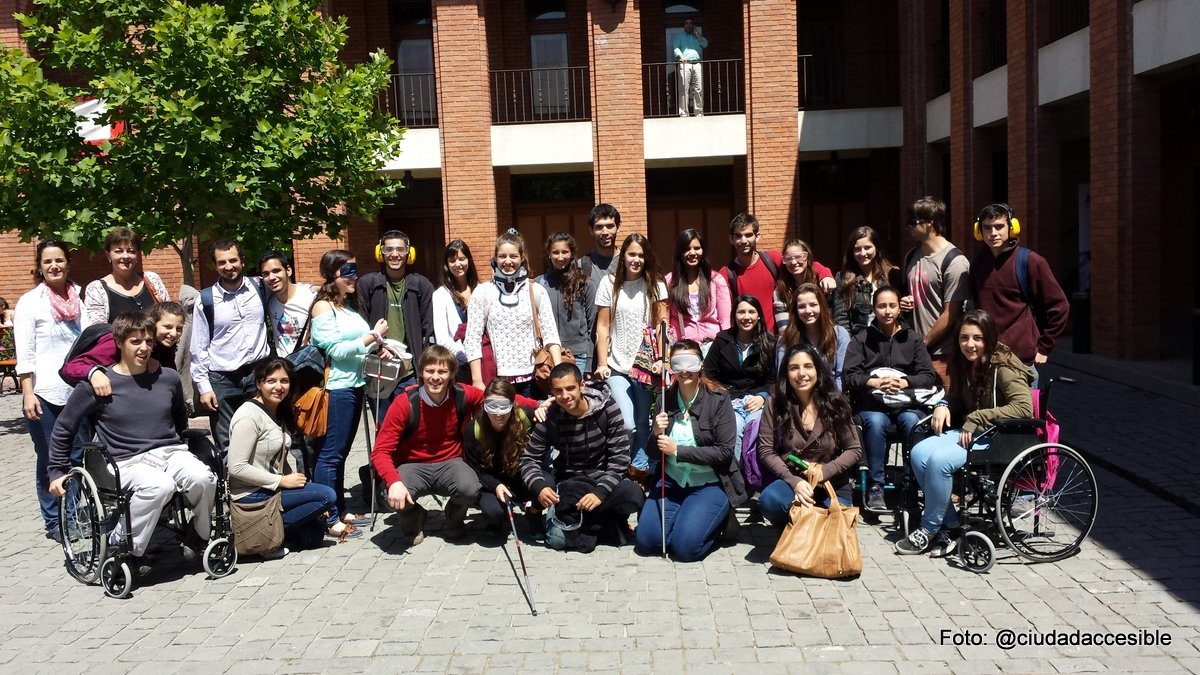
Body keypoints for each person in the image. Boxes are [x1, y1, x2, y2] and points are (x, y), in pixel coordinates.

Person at [48, 312, 215, 572]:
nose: (144, 348)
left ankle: (200, 535)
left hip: (170, 451)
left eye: (148, 341)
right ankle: (125, 547)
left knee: (203, 477)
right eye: (135, 342)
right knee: (159, 486)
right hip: (125, 459)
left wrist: (186, 445)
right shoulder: (99, 384)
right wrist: (56, 471)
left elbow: (180, 418)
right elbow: (64, 427)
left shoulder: (167, 378)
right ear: (119, 342)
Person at [896, 310, 1034, 556]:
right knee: (918, 452)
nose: (969, 344)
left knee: (939, 461)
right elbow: (959, 397)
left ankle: (929, 529)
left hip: (1000, 437)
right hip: (974, 432)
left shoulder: (1003, 366)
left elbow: (1024, 408)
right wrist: (943, 405)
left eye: (977, 338)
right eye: (964, 338)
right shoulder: (966, 363)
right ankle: (950, 525)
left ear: (989, 338)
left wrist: (977, 417)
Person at [372, 345, 540, 544]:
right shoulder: (404, 403)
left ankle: (453, 519)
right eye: (430, 371)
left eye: (442, 371)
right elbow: (381, 451)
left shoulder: (461, 394)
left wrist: (539, 405)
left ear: (452, 374)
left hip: (450, 460)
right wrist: (394, 482)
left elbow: (499, 399)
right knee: (390, 496)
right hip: (411, 464)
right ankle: (413, 518)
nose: (436, 377)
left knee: (470, 488)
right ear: (421, 373)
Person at [637, 340, 746, 561]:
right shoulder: (664, 400)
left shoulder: (719, 399)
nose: (684, 370)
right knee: (647, 541)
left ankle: (719, 520)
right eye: (678, 363)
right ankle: (688, 517)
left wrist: (678, 450)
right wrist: (656, 432)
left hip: (709, 483)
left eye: (690, 363)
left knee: (685, 549)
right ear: (671, 368)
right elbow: (652, 452)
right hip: (672, 483)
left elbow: (724, 452)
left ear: (700, 366)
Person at [16, 240, 95, 542]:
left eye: (59, 260)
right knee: (50, 458)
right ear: (39, 266)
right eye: (48, 261)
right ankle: (54, 520)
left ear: (68, 263)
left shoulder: (80, 299)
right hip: (44, 393)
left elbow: (90, 341)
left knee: (78, 456)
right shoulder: (30, 302)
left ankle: (74, 513)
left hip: (77, 392)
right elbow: (25, 352)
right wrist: (27, 392)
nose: (54, 266)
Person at [520, 363, 646, 551]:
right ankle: (602, 523)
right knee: (558, 540)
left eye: (570, 388)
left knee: (633, 494)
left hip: (602, 479)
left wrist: (600, 493)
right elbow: (529, 459)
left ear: (582, 385)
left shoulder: (608, 409)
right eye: (558, 391)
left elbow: (619, 458)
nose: (565, 396)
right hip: (568, 482)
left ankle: (589, 519)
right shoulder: (550, 417)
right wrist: (539, 487)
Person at [309, 250, 387, 539]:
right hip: (336, 389)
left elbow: (354, 349)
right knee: (330, 455)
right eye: (348, 272)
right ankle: (327, 517)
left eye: (356, 270)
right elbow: (337, 351)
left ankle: (340, 509)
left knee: (340, 455)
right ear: (333, 275)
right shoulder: (322, 308)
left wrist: (377, 347)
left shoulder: (346, 306)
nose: (355, 277)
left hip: (354, 386)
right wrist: (373, 336)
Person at [227, 357, 338, 555]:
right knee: (327, 495)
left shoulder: (278, 411)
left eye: (284, 381)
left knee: (313, 537)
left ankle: (274, 534)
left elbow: (279, 458)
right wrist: (282, 481)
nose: (278, 387)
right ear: (259, 384)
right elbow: (236, 467)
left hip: (272, 489)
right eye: (271, 381)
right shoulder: (248, 416)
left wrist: (301, 490)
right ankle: (258, 534)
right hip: (252, 494)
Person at [843, 286, 937, 512]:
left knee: (911, 423)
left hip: (907, 403)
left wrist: (906, 382)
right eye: (882, 306)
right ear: (874, 309)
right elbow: (849, 376)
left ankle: (910, 486)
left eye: (892, 306)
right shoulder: (861, 339)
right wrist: (873, 381)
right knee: (875, 423)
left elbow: (928, 376)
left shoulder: (912, 339)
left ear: (899, 308)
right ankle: (877, 486)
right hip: (873, 405)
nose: (887, 311)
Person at [757, 344, 863, 529]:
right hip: (793, 480)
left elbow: (854, 449)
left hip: (832, 483)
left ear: (817, 370)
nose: (801, 373)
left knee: (832, 521)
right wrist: (794, 481)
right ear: (786, 373)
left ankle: (804, 525)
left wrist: (825, 472)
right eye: (794, 368)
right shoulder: (775, 403)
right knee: (769, 501)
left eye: (808, 366)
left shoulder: (835, 402)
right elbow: (766, 450)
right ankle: (798, 526)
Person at [594, 233, 669, 478]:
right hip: (616, 365)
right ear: (623, 256)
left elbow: (661, 324)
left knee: (643, 422)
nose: (636, 259)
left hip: (645, 366)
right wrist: (602, 363)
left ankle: (640, 471)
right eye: (631, 254)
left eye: (641, 255)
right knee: (627, 423)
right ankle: (622, 466)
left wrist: (662, 358)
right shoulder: (609, 283)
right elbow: (603, 326)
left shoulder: (655, 284)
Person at [969, 203, 1070, 385]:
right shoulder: (977, 265)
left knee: (1021, 414)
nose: (993, 233)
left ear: (1012, 227)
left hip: (1021, 364)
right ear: (979, 231)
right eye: (987, 228)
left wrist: (1044, 347)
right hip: (986, 362)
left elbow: (1060, 307)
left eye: (999, 226)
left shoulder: (1031, 262)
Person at [190, 240, 271, 452]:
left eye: (233, 260)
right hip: (222, 380)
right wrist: (203, 387)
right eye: (222, 262)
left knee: (264, 436)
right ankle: (231, 484)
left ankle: (267, 482)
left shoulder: (260, 287)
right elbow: (198, 348)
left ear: (242, 261)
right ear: (215, 266)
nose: (229, 266)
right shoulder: (205, 300)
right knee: (227, 442)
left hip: (257, 374)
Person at [464, 229, 562, 397]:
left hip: (533, 379)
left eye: (513, 256)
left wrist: (560, 373)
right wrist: (477, 381)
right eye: (502, 256)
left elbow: (551, 334)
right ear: (494, 259)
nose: (507, 261)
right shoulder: (482, 292)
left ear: (522, 258)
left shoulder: (536, 291)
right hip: (497, 381)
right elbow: (472, 339)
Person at [357, 229, 436, 421]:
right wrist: (377, 349)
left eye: (400, 249)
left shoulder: (421, 285)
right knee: (384, 430)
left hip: (409, 372)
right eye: (389, 249)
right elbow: (361, 325)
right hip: (379, 369)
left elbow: (429, 329)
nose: (395, 254)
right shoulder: (368, 284)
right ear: (380, 252)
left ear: (409, 253)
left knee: (410, 428)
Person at [900, 196, 971, 389]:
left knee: (945, 411)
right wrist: (904, 303)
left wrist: (923, 343)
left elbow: (951, 313)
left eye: (912, 222)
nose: (909, 228)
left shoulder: (955, 262)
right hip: (914, 352)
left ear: (930, 222)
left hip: (943, 354)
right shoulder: (912, 256)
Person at [723, 214, 833, 334]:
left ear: (757, 236)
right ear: (731, 239)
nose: (743, 240)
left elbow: (799, 263)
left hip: (776, 339)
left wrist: (825, 274)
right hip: (748, 339)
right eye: (738, 236)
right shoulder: (727, 273)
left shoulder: (771, 259)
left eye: (748, 235)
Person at [702, 295, 776, 461]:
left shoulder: (770, 343)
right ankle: (734, 476)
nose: (746, 317)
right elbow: (708, 375)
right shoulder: (722, 340)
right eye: (741, 312)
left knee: (755, 429)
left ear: (758, 316)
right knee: (733, 429)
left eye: (751, 312)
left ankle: (754, 477)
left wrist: (762, 397)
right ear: (734, 316)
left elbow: (775, 379)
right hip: (729, 401)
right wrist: (723, 398)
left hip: (758, 401)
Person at [61, 301, 187, 396]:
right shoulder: (116, 341)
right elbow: (70, 367)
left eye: (179, 328)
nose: (174, 333)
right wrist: (93, 373)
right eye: (167, 327)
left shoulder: (165, 345)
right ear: (153, 324)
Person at [462, 379, 538, 531]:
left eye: (503, 406)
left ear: (512, 405)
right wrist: (495, 485)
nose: (498, 413)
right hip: (492, 481)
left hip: (519, 476)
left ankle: (533, 513)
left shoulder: (526, 417)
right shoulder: (473, 429)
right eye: (492, 406)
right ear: (484, 405)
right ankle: (497, 519)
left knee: (546, 484)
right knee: (494, 513)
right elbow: (475, 468)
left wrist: (542, 410)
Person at [82, 227, 171, 324]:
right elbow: (99, 331)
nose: (125, 256)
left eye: (131, 251)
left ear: (137, 255)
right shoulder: (97, 289)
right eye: (118, 251)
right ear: (108, 255)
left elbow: (169, 316)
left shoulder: (152, 280)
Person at [537, 232, 597, 375]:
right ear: (549, 254)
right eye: (555, 252)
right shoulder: (540, 284)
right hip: (548, 355)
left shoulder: (585, 283)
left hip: (578, 355)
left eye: (565, 252)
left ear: (572, 253)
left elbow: (593, 324)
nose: (560, 257)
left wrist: (589, 362)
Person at [666, 229, 730, 356]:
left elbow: (725, 321)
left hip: (712, 348)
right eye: (687, 249)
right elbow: (665, 319)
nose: (693, 253)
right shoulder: (669, 281)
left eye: (697, 248)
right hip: (682, 349)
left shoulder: (716, 280)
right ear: (680, 253)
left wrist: (725, 347)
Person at [777, 282, 851, 390]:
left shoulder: (840, 334)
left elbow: (841, 376)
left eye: (813, 305)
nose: (808, 311)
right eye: (802, 306)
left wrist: (832, 403)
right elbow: (782, 378)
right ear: (795, 310)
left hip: (830, 397)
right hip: (798, 398)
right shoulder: (785, 339)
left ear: (821, 306)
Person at [832, 226, 904, 335]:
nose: (862, 253)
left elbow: (900, 310)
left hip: (888, 339)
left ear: (876, 248)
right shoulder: (843, 278)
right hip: (858, 343)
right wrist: (850, 345)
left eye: (867, 247)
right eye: (857, 249)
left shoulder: (891, 274)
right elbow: (841, 317)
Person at [432, 239, 479, 383]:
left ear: (469, 260)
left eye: (462, 259)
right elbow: (442, 338)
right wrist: (467, 357)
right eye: (452, 260)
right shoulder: (440, 295)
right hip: (459, 364)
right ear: (446, 264)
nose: (458, 264)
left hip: (484, 362)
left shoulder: (481, 289)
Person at [773, 238, 837, 332]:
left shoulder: (822, 284)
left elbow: (830, 316)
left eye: (798, 257)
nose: (793, 262)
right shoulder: (781, 291)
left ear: (806, 256)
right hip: (794, 340)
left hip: (825, 336)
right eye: (788, 258)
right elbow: (783, 328)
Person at [260, 251, 317, 357]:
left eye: (276, 271)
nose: (271, 277)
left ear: (288, 270)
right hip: (286, 367)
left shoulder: (310, 296)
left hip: (309, 366)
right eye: (266, 274)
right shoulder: (269, 302)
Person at [583, 204, 623, 293]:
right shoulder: (581, 266)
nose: (605, 232)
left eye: (610, 226)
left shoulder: (630, 262)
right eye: (599, 227)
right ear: (591, 230)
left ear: (618, 227)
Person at [673, 18, 708, 117]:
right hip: (685, 64)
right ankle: (684, 113)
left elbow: (705, 44)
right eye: (687, 23)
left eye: (690, 23)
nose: (689, 25)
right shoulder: (679, 36)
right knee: (684, 89)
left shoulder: (697, 36)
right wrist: (681, 56)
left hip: (697, 64)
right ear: (684, 26)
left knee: (698, 89)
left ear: (693, 25)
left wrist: (697, 33)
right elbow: (675, 47)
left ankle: (699, 113)